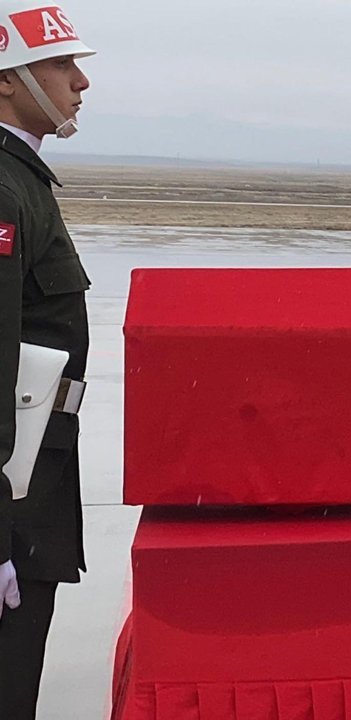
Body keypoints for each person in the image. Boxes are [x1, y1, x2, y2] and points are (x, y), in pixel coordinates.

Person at [0, 3, 94, 717]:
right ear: (8, 79)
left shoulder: (22, 181)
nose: (80, 83)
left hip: (30, 492)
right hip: (12, 502)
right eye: (61, 64)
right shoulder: (4, 189)